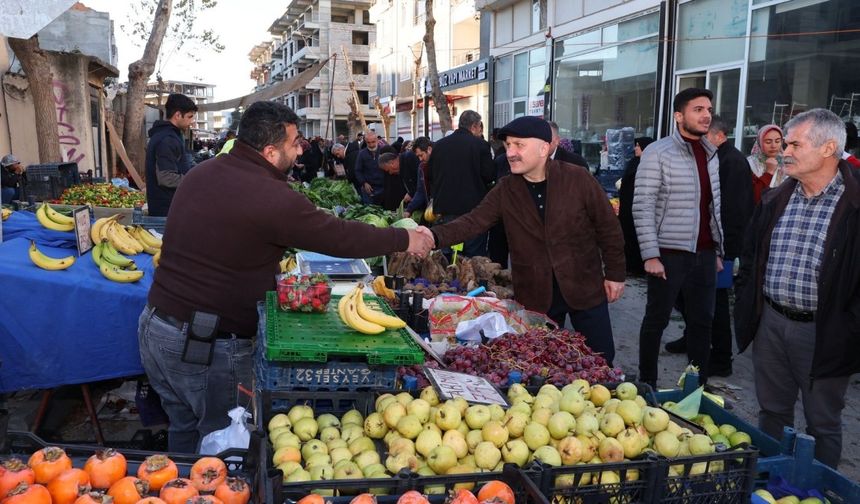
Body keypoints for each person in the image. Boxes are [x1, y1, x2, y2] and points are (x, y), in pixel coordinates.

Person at [139, 101, 434, 452]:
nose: (299, 151)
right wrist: (404, 238)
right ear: (269, 150)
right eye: (294, 143)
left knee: (184, 431)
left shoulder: (202, 173)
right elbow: (338, 235)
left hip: (157, 330)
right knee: (221, 445)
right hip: (207, 349)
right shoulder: (270, 195)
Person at [429, 116, 626, 365]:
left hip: (584, 285)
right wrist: (433, 236)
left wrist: (616, 274)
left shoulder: (578, 179)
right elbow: (473, 222)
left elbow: (608, 228)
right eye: (508, 145)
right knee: (540, 362)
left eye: (519, 145)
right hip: (536, 293)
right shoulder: (506, 189)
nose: (510, 153)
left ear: (544, 148)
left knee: (601, 358)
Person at [734, 108, 860, 469]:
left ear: (827, 148)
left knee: (822, 422)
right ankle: (773, 482)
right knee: (771, 413)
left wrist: (850, 327)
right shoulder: (777, 198)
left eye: (794, 144)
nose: (783, 151)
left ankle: (817, 488)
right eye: (784, 143)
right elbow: (751, 258)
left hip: (826, 331)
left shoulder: (854, 204)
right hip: (771, 324)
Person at [633, 87, 724, 387]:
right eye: (698, 109)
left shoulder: (711, 153)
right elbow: (643, 205)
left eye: (708, 109)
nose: (706, 115)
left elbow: (712, 206)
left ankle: (697, 385)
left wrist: (718, 250)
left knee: (702, 323)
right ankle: (647, 383)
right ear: (678, 115)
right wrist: (650, 255)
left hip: (705, 253)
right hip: (668, 253)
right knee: (656, 321)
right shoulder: (658, 153)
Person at [665, 116, 754, 378]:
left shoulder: (732, 162)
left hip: (722, 247)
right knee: (692, 298)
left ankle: (721, 358)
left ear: (717, 135)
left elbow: (733, 211)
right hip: (702, 244)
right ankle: (691, 337)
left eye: (702, 136)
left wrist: (725, 251)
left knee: (714, 303)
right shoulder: (716, 158)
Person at [426, 110, 495, 257]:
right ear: (475, 126)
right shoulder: (481, 145)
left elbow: (430, 174)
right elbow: (489, 175)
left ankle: (448, 280)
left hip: (445, 209)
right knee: (472, 257)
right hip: (473, 211)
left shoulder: (439, 145)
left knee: (447, 256)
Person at [145, 93, 198, 217]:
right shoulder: (167, 139)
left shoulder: (170, 135)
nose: (192, 122)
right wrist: (195, 180)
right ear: (178, 115)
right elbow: (166, 178)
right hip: (167, 211)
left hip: (170, 208)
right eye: (190, 117)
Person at [618, 137, 654, 275]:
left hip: (639, 207)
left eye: (638, 146)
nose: (635, 148)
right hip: (627, 207)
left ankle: (638, 266)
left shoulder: (649, 164)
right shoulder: (634, 162)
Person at [748, 124, 786, 204]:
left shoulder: (787, 162)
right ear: (760, 142)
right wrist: (769, 172)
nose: (773, 146)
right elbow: (753, 196)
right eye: (768, 142)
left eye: (777, 141)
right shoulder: (750, 164)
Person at [403, 137, 432, 219]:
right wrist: (409, 209)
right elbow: (420, 191)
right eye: (418, 156)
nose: (420, 159)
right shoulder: (422, 167)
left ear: (429, 149)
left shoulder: (441, 163)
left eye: (421, 155)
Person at [355, 131, 384, 205]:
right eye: (368, 142)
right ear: (365, 141)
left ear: (377, 140)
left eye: (373, 142)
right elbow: (358, 170)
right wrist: (364, 183)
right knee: (369, 211)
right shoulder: (361, 153)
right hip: (368, 189)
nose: (371, 145)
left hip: (383, 188)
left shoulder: (384, 151)